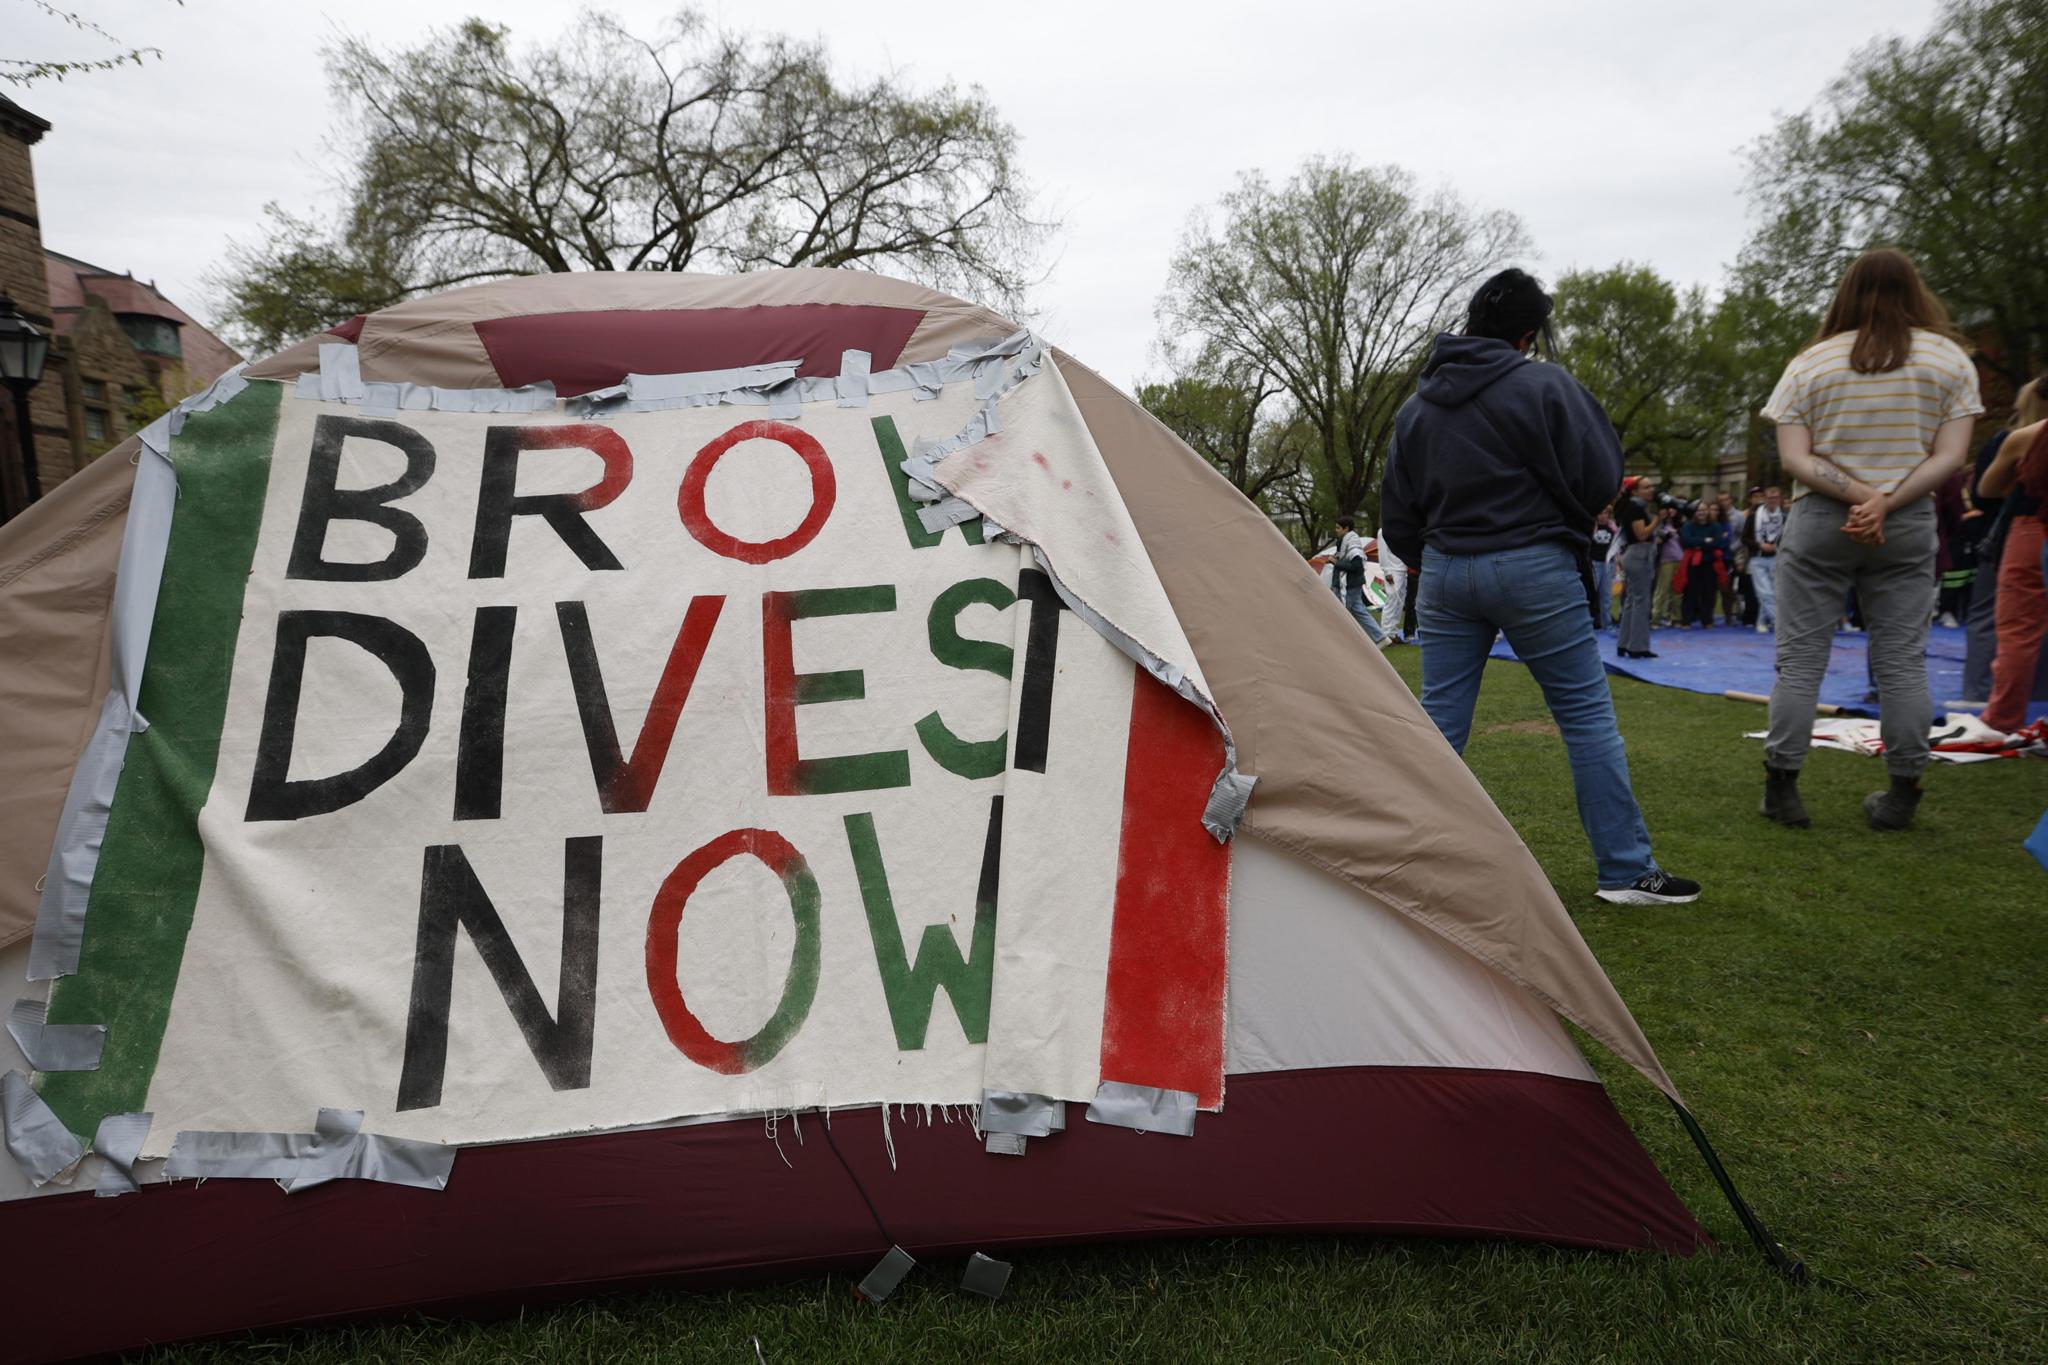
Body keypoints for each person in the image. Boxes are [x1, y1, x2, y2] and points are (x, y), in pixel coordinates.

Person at [1381, 267, 1699, 905]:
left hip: (1444, 570)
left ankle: (1404, 865)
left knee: (1439, 723)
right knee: (1584, 718)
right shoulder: (1546, 384)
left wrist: (1435, 561)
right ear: (1527, 335)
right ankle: (1625, 870)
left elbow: (1397, 514)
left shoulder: (1417, 408)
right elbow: (1602, 476)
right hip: (1534, 564)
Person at [1758, 248, 1981, 831]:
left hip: (1821, 520)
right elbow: (1951, 457)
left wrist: (1858, 495)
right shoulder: (1949, 360)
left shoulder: (1810, 363)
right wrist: (1884, 501)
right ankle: (1903, 791)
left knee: (1800, 662)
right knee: (1903, 662)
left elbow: (1795, 458)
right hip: (1906, 521)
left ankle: (1782, 788)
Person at [1974, 380, 2048, 734]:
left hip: (2033, 526)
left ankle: (2002, 719)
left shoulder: (2025, 437)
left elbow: (1986, 489)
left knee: (2018, 630)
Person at [1329, 515, 1390, 645]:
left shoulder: (1353, 544)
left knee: (1346, 613)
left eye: (1338, 528)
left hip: (1350, 585)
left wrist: (1336, 562)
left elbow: (1356, 567)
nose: (1336, 530)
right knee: (1357, 611)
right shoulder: (1345, 542)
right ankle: (1379, 638)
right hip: (1348, 584)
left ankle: (1350, 641)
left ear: (1346, 528)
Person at [1616, 476, 1658, 657]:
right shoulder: (1635, 508)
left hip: (1633, 555)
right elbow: (1641, 534)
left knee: (1632, 600)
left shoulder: (1630, 507)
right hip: (1639, 555)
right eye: (1646, 487)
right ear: (1635, 491)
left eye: (1651, 486)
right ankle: (1637, 647)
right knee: (1641, 601)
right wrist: (1658, 520)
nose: (1651, 490)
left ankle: (1624, 643)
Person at [1678, 503, 1729, 627]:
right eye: (1698, 510)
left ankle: (1707, 620)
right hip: (1692, 563)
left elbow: (1717, 542)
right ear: (1694, 512)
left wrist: (1698, 544)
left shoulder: (1715, 526)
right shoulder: (1688, 525)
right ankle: (1686, 620)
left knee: (1709, 592)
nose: (1701, 512)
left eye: (1704, 510)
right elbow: (1686, 540)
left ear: (1708, 511)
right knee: (1690, 592)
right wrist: (1705, 540)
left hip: (1710, 562)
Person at [1748, 486, 1787, 632]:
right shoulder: (1754, 516)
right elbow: (1745, 538)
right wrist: (1759, 545)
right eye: (1770, 498)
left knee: (1775, 592)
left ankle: (1761, 621)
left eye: (1776, 498)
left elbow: (1789, 537)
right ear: (1765, 499)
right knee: (1765, 592)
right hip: (1758, 559)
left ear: (1780, 499)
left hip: (1776, 557)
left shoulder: (1784, 517)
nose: (1773, 501)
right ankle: (1779, 623)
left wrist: (1777, 546)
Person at [1589, 504, 1620, 630]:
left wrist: (1617, 563)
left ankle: (1606, 623)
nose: (1603, 516)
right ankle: (1590, 623)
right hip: (1594, 563)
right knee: (1592, 594)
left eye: (1606, 513)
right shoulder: (1591, 526)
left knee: (1606, 596)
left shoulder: (1612, 527)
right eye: (1600, 513)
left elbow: (1617, 547)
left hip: (1608, 564)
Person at [1653, 505, 1684, 627]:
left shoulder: (1679, 525)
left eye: (1673, 509)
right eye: (1668, 509)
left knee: (1677, 590)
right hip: (1666, 560)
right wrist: (1667, 535)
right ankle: (1656, 618)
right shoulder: (1659, 525)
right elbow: (1658, 539)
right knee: (1662, 590)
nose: (1671, 511)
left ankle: (1675, 618)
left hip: (1680, 559)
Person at [1376, 531, 1409, 642]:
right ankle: (1386, 634)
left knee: (1399, 603)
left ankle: (1393, 632)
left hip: (1402, 569)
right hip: (1393, 570)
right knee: (1391, 602)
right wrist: (1387, 571)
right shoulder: (1383, 531)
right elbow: (1382, 552)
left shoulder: (1398, 528)